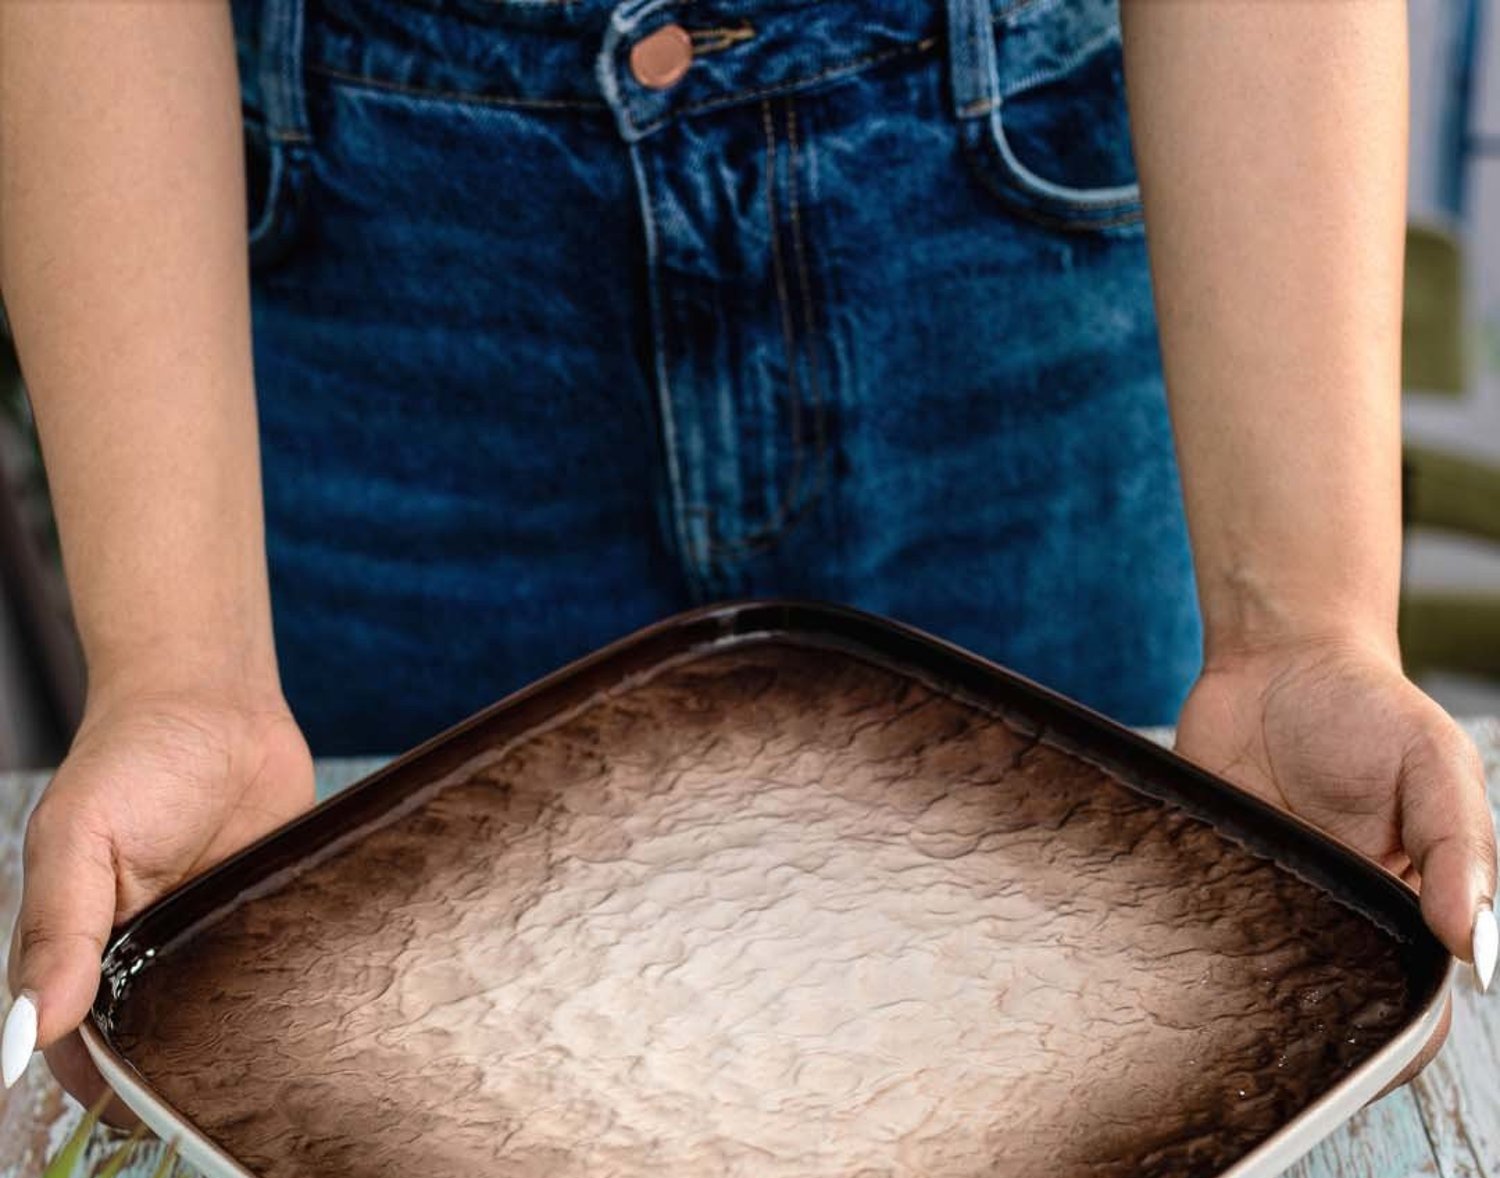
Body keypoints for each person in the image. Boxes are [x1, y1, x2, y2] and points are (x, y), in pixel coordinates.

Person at [0, 0, 1493, 1105]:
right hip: (379, 259)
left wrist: (1308, 623)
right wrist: (183, 671)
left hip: (1000, 213)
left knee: (1085, 1072)